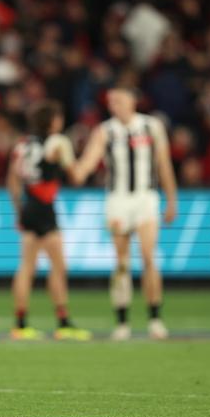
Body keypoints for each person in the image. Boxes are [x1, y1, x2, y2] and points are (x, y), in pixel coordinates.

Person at [73, 87, 177, 340]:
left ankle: (154, 318)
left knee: (148, 257)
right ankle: (122, 321)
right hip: (117, 200)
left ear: (132, 101)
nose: (113, 106)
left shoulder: (152, 127)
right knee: (121, 262)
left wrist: (172, 199)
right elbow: (90, 159)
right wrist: (78, 171)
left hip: (145, 198)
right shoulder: (105, 131)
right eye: (110, 103)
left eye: (118, 101)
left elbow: (164, 164)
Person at [6, 101, 92, 341]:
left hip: (28, 204)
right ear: (53, 121)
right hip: (45, 206)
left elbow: (12, 181)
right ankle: (63, 322)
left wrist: (18, 211)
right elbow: (75, 176)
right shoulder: (58, 142)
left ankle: (21, 324)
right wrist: (85, 164)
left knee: (26, 267)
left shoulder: (23, 144)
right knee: (58, 266)